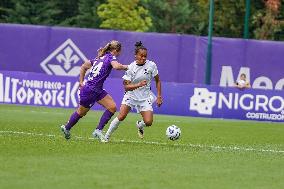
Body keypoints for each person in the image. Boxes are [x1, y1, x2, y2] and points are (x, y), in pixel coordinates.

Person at [60, 40, 128, 141]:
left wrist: (81, 81)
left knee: (112, 107)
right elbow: (116, 66)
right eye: (119, 51)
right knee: (81, 112)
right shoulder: (110, 56)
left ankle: (98, 130)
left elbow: (84, 66)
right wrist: (129, 67)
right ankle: (67, 127)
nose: (119, 53)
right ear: (116, 50)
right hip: (90, 90)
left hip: (97, 89)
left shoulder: (100, 57)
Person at [104, 41, 162, 142]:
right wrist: (138, 85)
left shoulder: (151, 65)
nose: (143, 58)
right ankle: (106, 136)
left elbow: (157, 80)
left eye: (145, 56)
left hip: (144, 98)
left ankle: (140, 124)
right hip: (130, 96)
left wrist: (159, 96)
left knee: (148, 122)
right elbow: (126, 87)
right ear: (136, 56)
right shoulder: (131, 67)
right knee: (121, 116)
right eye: (141, 56)